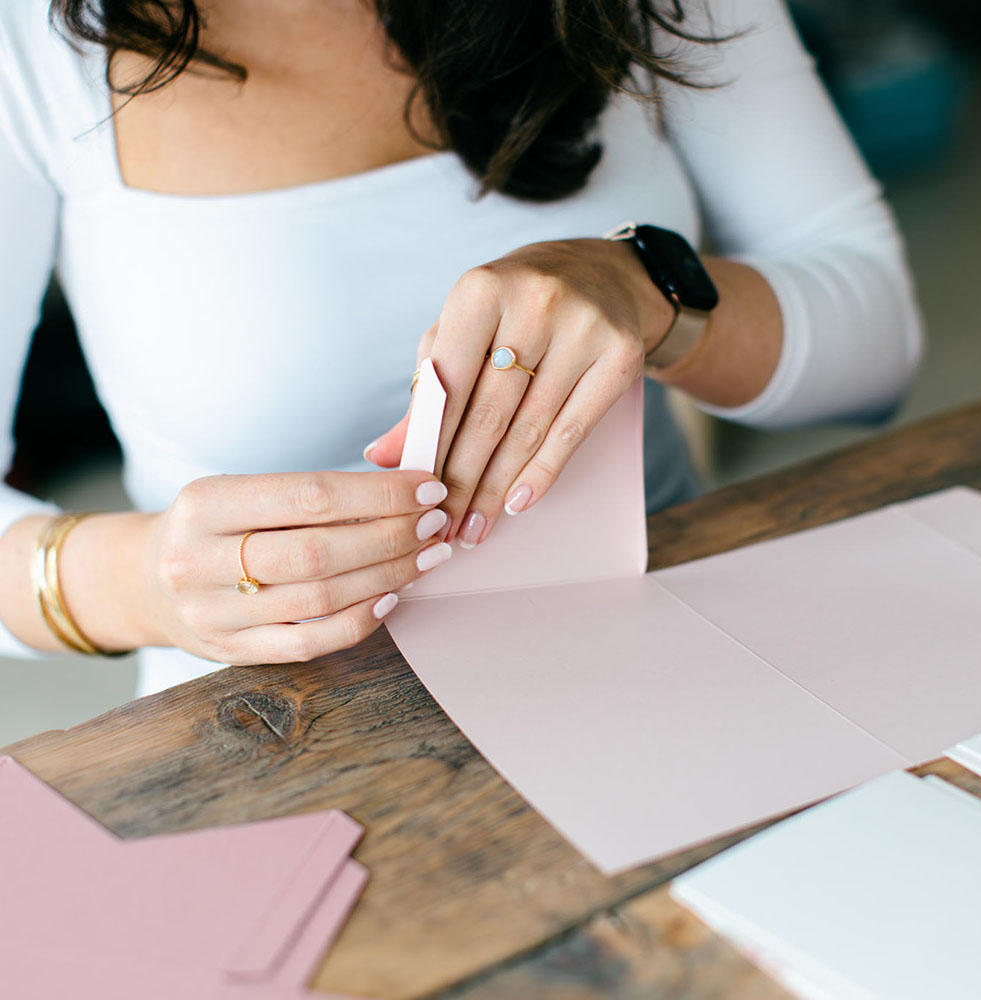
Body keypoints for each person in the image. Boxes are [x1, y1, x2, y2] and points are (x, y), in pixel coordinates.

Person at [0, 0, 922, 696]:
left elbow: (877, 345)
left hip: (666, 647)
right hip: (271, 718)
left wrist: (651, 291)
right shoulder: (27, 41)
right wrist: (143, 585)